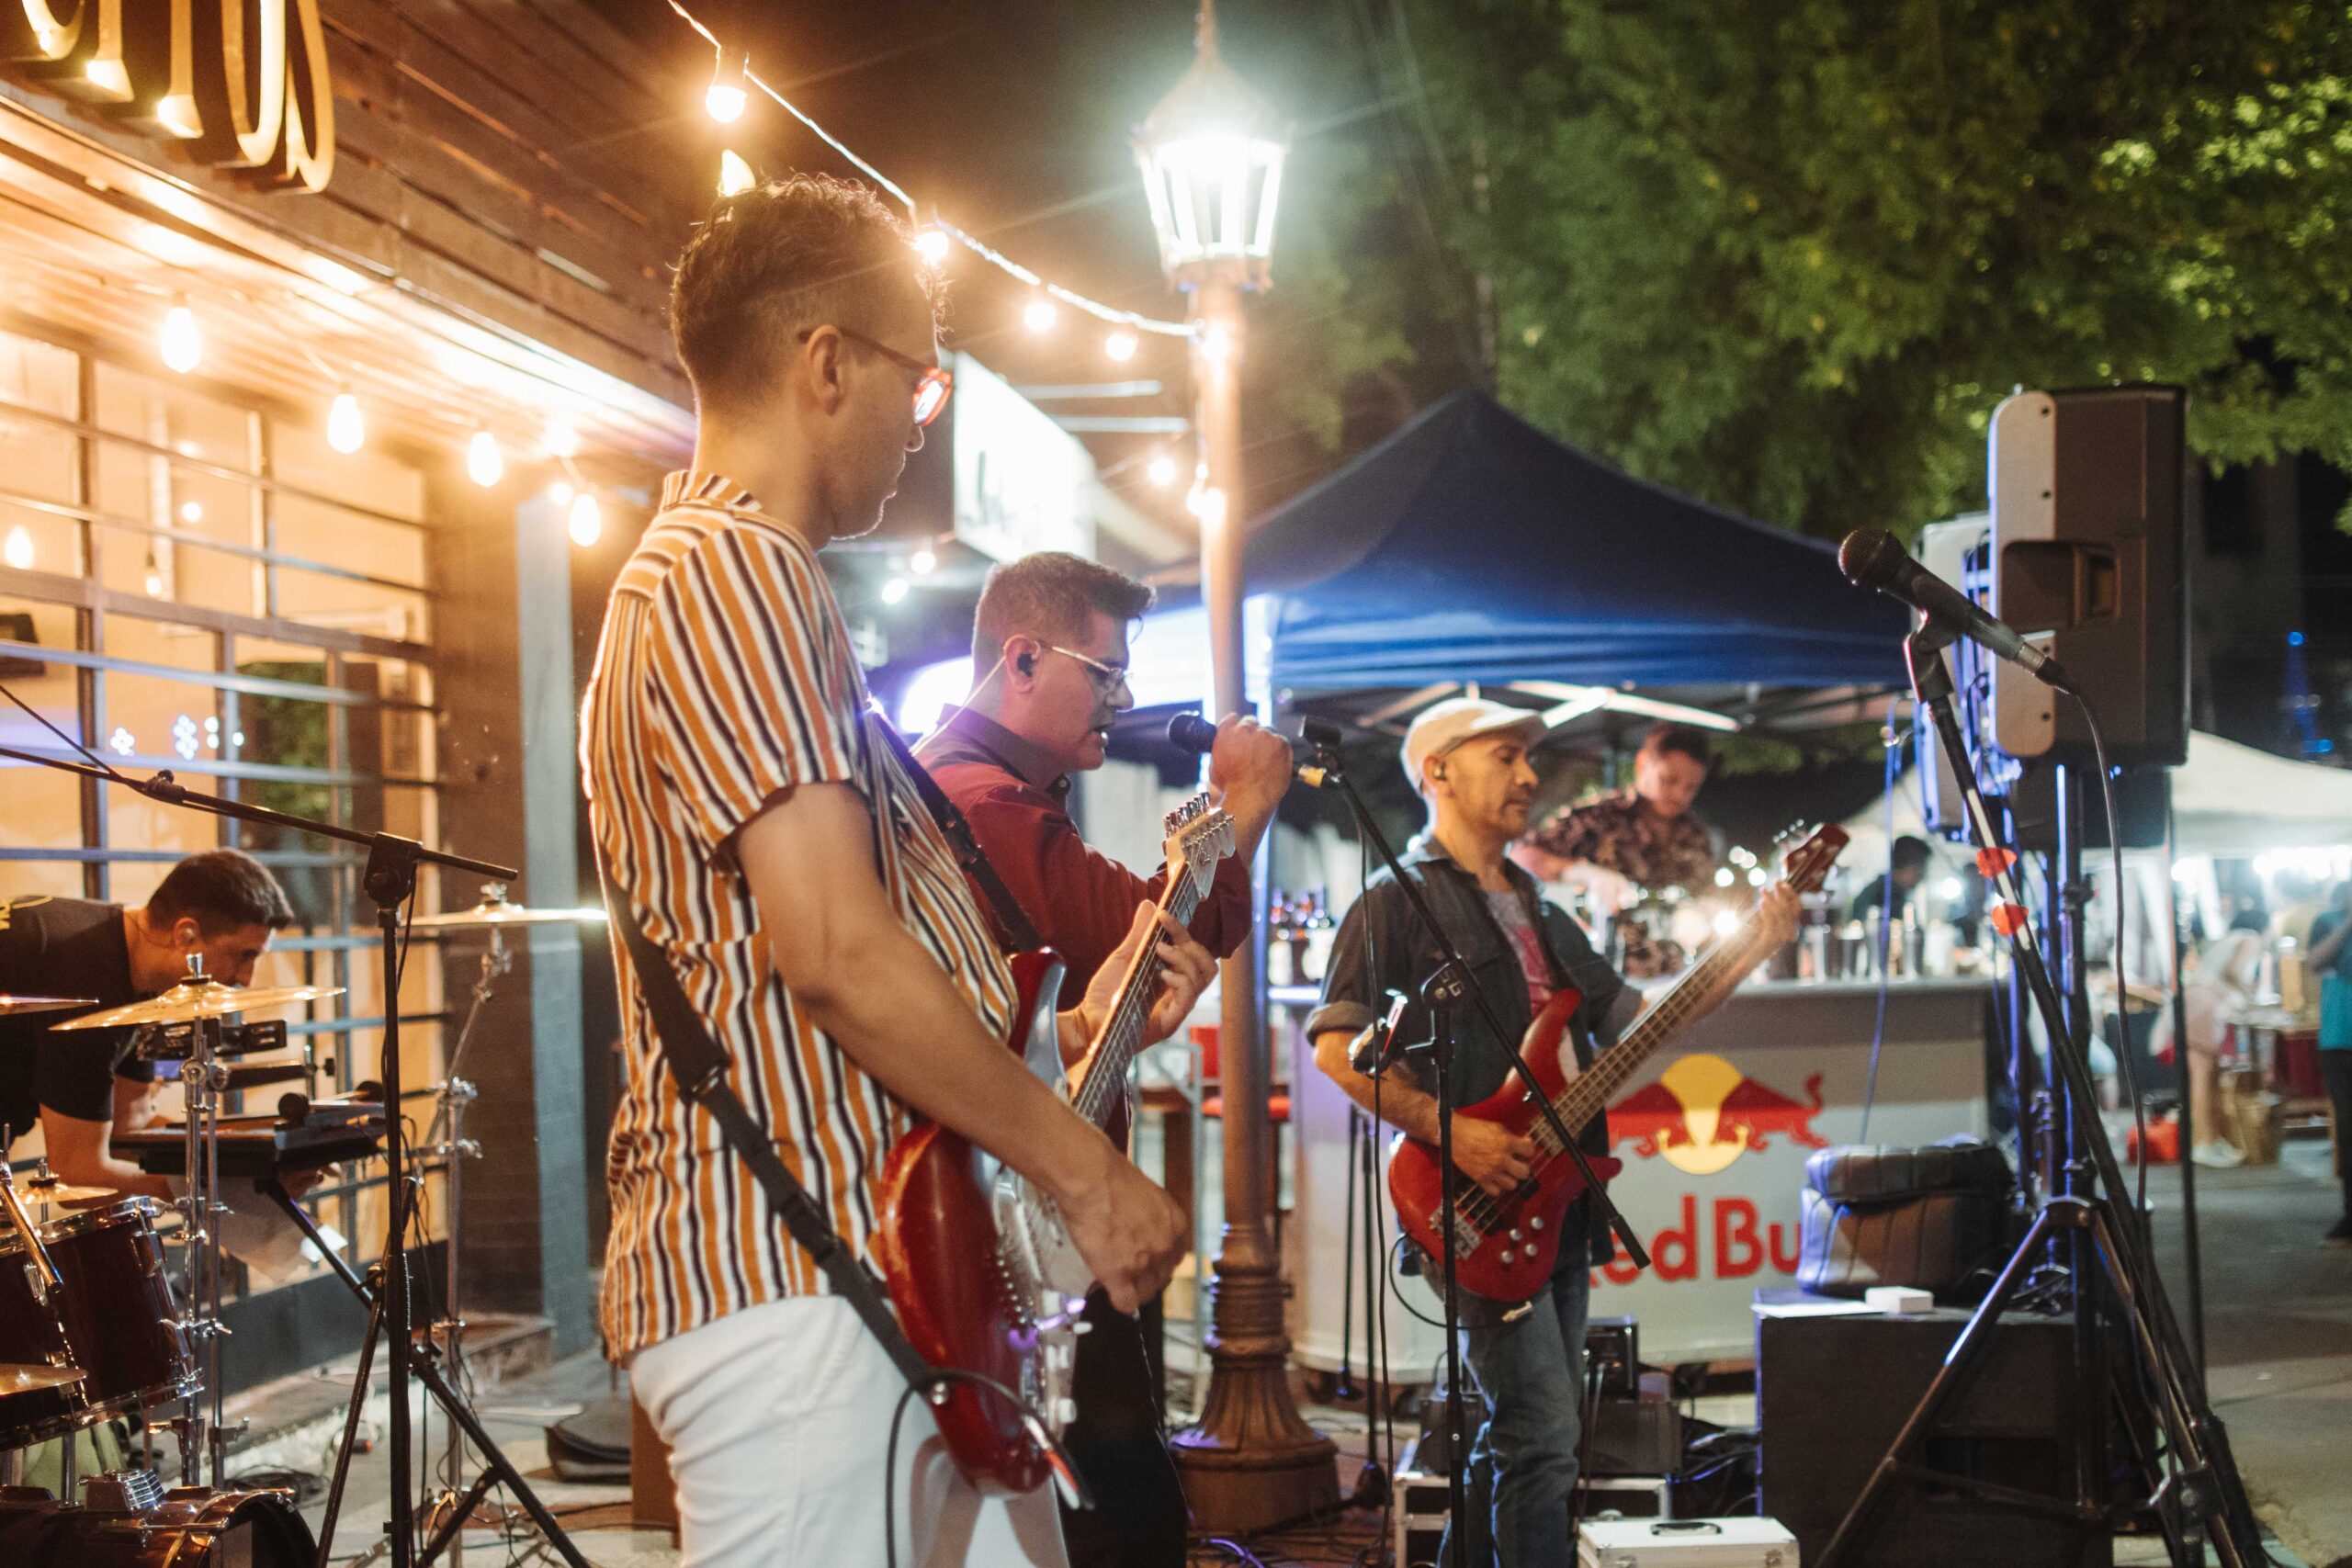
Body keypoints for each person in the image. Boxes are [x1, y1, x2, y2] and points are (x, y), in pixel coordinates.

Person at [580, 174, 1197, 1568]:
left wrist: (1063, 1025)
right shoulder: (735, 572)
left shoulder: (736, 578)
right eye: (922, 388)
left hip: (873, 1280)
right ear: (824, 361)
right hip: (801, 1278)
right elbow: (836, 954)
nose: (927, 426)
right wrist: (1085, 1170)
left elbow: (857, 951)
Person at [1308, 698, 1795, 1567]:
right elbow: (1339, 1054)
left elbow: (1643, 1019)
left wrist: (1752, 945)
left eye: (1530, 758)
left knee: (1522, 1434)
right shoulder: (1395, 900)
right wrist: (1456, 1134)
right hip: (1472, 1196)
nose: (1530, 775)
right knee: (1543, 1437)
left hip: (1556, 1202)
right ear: (1440, 771)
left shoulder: (1535, 904)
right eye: (1506, 756)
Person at [915, 551, 1295, 1568]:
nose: (1121, 701)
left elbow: (1125, 969)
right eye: (1106, 673)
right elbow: (1180, 920)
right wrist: (1245, 799)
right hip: (1032, 1214)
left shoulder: (984, 788)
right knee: (1118, 1513)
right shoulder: (984, 802)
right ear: (1023, 658)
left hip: (1030, 1203)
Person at [0, 848, 293, 1199]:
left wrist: (259, 1155)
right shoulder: (86, 975)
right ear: (186, 935)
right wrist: (223, 1191)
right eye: (244, 954)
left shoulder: (121, 959)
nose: (246, 978)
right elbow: (78, 1172)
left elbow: (129, 1129)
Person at [1514, 723, 1719, 903]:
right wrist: (1577, 872)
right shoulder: (1596, 818)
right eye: (1669, 779)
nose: (1679, 794)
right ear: (1642, 763)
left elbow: (1709, 893)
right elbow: (1522, 857)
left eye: (1691, 787)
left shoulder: (1696, 834)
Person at [2175, 907, 2267, 1171]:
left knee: (2209, 1073)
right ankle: (2204, 1143)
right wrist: (2250, 994)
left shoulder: (2229, 939)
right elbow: (2234, 972)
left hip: (2199, 1002)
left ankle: (2211, 1139)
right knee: (2204, 1073)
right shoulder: (2250, 938)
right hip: (2205, 1004)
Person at [2306, 881, 2352, 1246]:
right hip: (2340, 1040)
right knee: (2349, 1131)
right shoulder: (2327, 921)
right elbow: (2314, 962)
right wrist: (2348, 923)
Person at [1849, 835, 1932, 924]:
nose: (1921, 876)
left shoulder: (1901, 896)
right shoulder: (1875, 896)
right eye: (1920, 868)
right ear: (1908, 867)